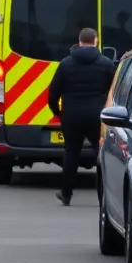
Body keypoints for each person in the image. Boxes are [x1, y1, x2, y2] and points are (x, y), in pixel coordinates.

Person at [47, 27, 114, 205]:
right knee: (101, 155)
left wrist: (57, 112)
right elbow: (113, 93)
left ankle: (66, 194)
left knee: (71, 154)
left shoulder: (66, 64)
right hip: (97, 117)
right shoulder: (106, 64)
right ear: (95, 40)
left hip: (72, 116)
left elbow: (53, 93)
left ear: (79, 41)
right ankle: (104, 197)